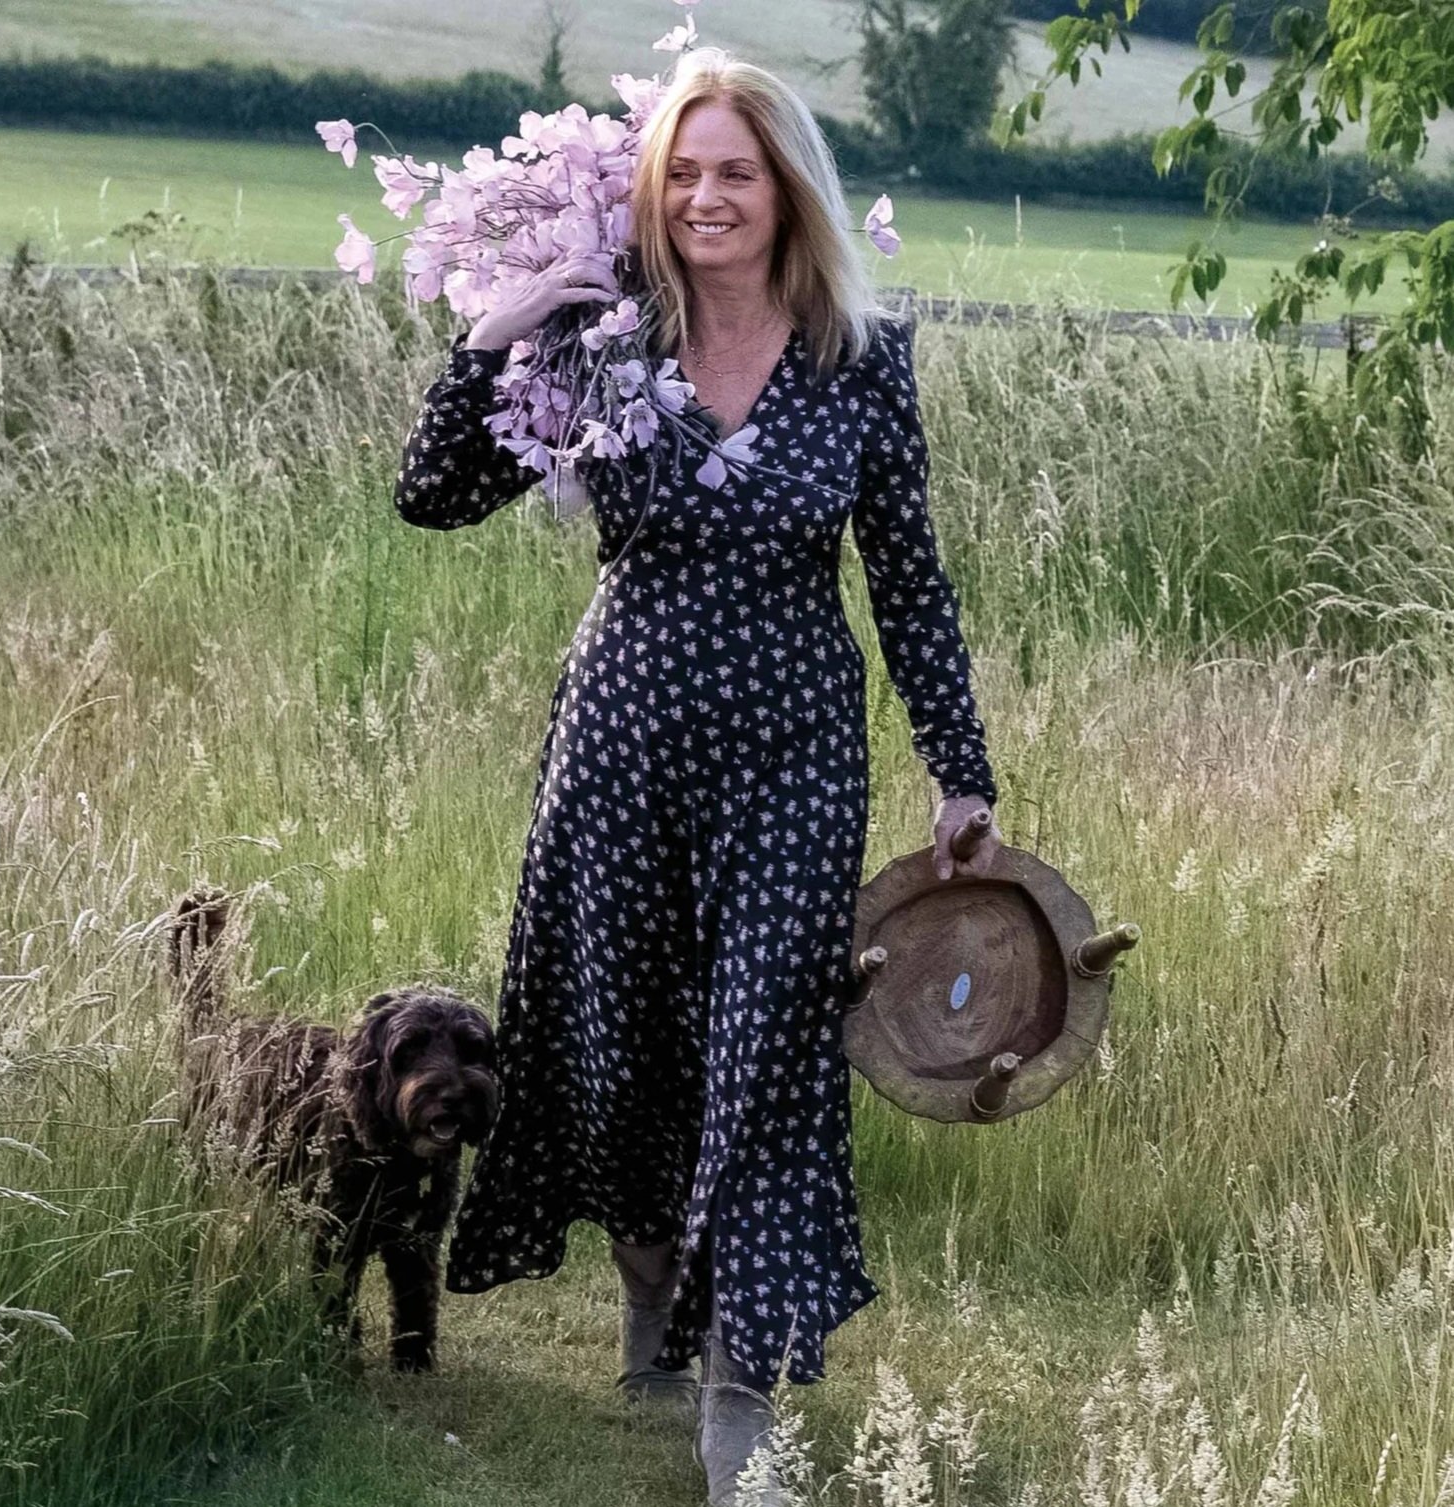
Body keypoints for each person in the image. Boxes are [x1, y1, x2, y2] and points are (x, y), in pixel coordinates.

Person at [392, 47, 1002, 1507]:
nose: (707, 196)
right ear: (651, 189)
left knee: (771, 1050)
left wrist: (961, 771)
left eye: (737, 171)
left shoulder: (862, 362)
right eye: (684, 171)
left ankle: (742, 1389)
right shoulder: (603, 342)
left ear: (789, 191)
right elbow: (431, 497)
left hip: (794, 752)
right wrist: (495, 335)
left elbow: (908, 578)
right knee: (618, 1037)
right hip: (622, 737)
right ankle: (650, 1289)